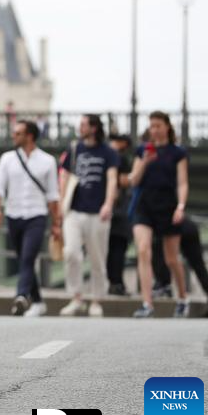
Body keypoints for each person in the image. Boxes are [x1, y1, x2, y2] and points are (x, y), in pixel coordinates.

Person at [0, 120, 62, 316]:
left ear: (30, 136)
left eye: (18, 133)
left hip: (37, 216)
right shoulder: (7, 159)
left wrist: (56, 224)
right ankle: (38, 301)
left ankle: (22, 296)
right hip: (14, 215)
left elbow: (53, 196)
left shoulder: (47, 161)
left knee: (28, 256)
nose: (14, 136)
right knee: (24, 259)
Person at [128, 111, 190, 318]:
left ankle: (182, 298)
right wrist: (145, 161)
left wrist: (180, 206)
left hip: (168, 205)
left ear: (167, 127)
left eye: (157, 125)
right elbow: (133, 180)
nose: (154, 130)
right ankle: (147, 303)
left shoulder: (177, 153)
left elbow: (182, 182)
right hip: (144, 205)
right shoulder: (142, 151)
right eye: (151, 126)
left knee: (171, 258)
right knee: (143, 250)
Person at [58, 115, 119, 317]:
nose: (80, 127)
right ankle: (76, 297)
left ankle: (96, 300)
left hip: (98, 212)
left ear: (93, 128)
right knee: (71, 252)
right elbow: (64, 176)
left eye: (83, 124)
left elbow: (112, 180)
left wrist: (108, 204)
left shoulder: (108, 152)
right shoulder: (74, 149)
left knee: (97, 258)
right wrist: (61, 203)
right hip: (74, 210)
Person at [152, 217, 208, 318]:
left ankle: (164, 285)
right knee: (199, 266)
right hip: (187, 226)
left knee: (164, 256)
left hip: (174, 228)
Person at [106, 133, 134, 295]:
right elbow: (124, 182)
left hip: (114, 211)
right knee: (117, 249)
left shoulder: (115, 158)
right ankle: (116, 283)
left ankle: (114, 282)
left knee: (112, 250)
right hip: (119, 211)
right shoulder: (121, 159)